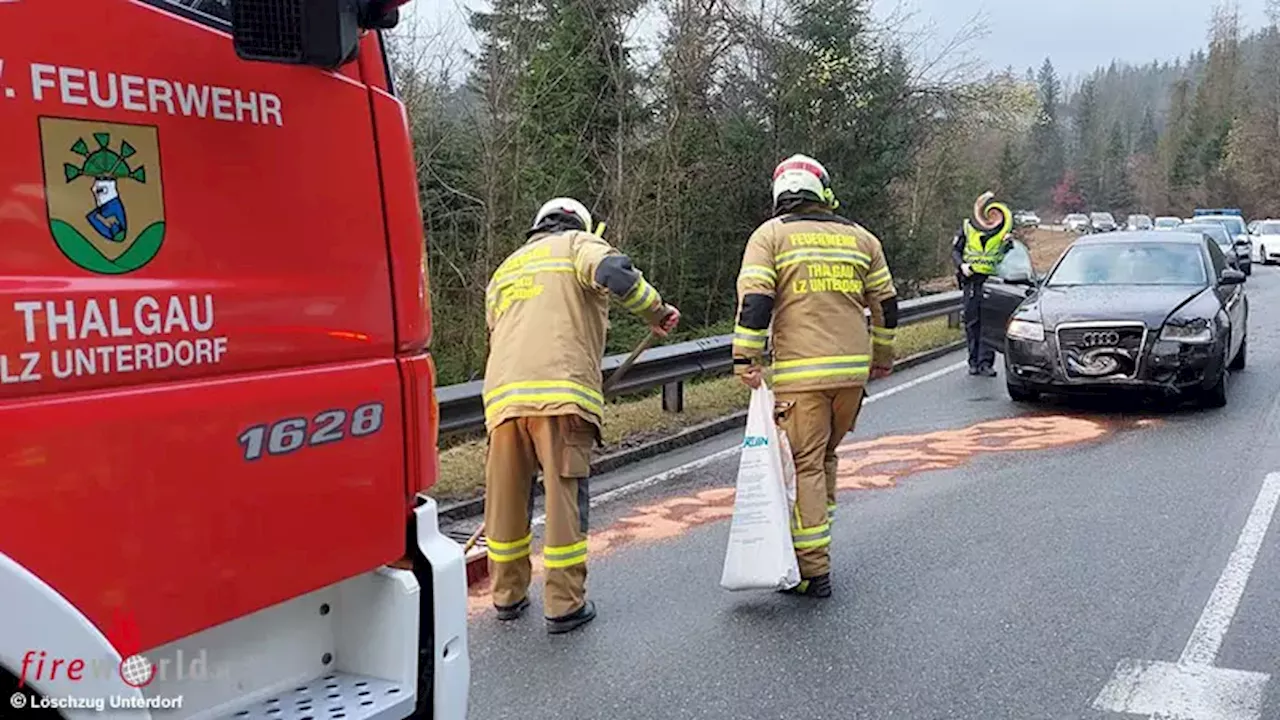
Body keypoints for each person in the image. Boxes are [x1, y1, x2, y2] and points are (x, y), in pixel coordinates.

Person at [482, 197, 680, 633]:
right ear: (581, 224)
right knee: (563, 500)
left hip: (502, 400)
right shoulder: (578, 245)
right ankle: (564, 604)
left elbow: (496, 332)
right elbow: (615, 273)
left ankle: (507, 596)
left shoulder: (506, 268)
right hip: (561, 395)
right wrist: (658, 311)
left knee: (505, 504)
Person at [732, 154, 899, 598]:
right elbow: (886, 303)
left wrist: (745, 357)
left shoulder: (770, 236)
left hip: (801, 377)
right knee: (825, 458)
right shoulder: (863, 239)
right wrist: (883, 354)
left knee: (805, 465)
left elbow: (756, 301)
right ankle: (816, 546)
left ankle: (812, 572)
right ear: (822, 190)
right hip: (850, 376)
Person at [952, 191, 1015, 377]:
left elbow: (1005, 258)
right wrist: (962, 266)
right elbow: (955, 251)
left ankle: (986, 362)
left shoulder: (1002, 232)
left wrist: (1008, 244)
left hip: (992, 282)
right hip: (971, 280)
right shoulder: (967, 227)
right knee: (972, 321)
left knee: (988, 322)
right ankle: (973, 361)